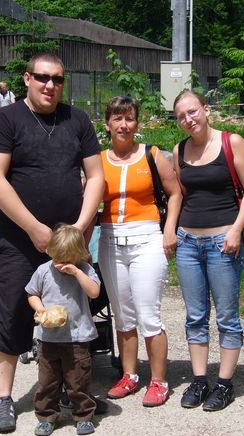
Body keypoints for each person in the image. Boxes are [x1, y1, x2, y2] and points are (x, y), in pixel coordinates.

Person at [0, 52, 104, 433]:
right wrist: (34, 227)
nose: (51, 85)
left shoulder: (77, 120)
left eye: (58, 79)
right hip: (19, 240)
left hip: (70, 241)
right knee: (14, 312)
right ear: (27, 79)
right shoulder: (5, 120)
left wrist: (82, 225)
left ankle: (70, 386)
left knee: (79, 309)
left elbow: (96, 177)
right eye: (43, 77)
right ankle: (4, 399)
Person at [172, 90, 244, 411]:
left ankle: (224, 384)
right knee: (195, 317)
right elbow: (179, 195)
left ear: (206, 110)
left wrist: (236, 230)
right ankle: (199, 381)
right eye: (181, 116)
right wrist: (172, 231)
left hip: (224, 241)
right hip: (188, 243)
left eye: (192, 112)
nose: (188, 119)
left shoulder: (231, 141)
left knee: (226, 316)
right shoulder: (179, 149)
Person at [97, 96, 182, 407]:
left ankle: (159, 381)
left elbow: (175, 194)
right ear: (107, 124)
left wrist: (169, 230)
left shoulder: (153, 155)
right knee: (123, 315)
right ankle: (130, 376)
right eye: (117, 119)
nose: (123, 125)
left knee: (148, 315)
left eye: (129, 119)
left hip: (147, 240)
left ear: (137, 123)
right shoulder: (98, 158)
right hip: (110, 239)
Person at [26, 223, 100, 436]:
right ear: (50, 252)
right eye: (57, 259)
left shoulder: (84, 270)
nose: (60, 265)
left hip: (77, 337)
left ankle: (84, 415)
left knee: (79, 380)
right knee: (48, 382)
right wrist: (40, 310)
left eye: (66, 260)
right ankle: (46, 416)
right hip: (48, 337)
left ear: (79, 255)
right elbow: (32, 293)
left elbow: (94, 292)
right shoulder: (43, 271)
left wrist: (77, 271)